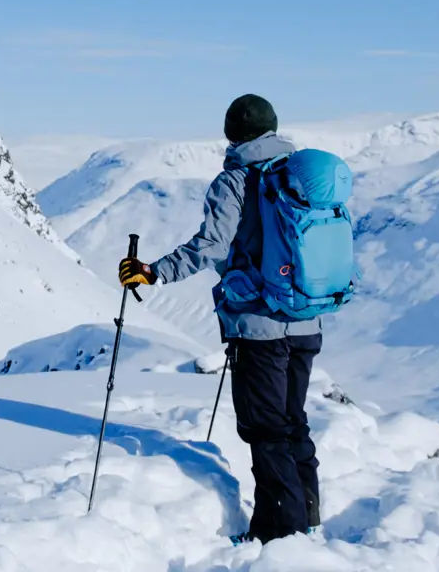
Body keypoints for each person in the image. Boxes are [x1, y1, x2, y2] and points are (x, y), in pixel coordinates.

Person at [118, 94, 322, 543]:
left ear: (232, 133)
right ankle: (308, 516)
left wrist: (153, 272)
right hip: (307, 321)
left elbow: (210, 246)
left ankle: (279, 536)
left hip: (258, 328)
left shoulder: (235, 181)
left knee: (266, 431)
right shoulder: (301, 177)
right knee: (293, 423)